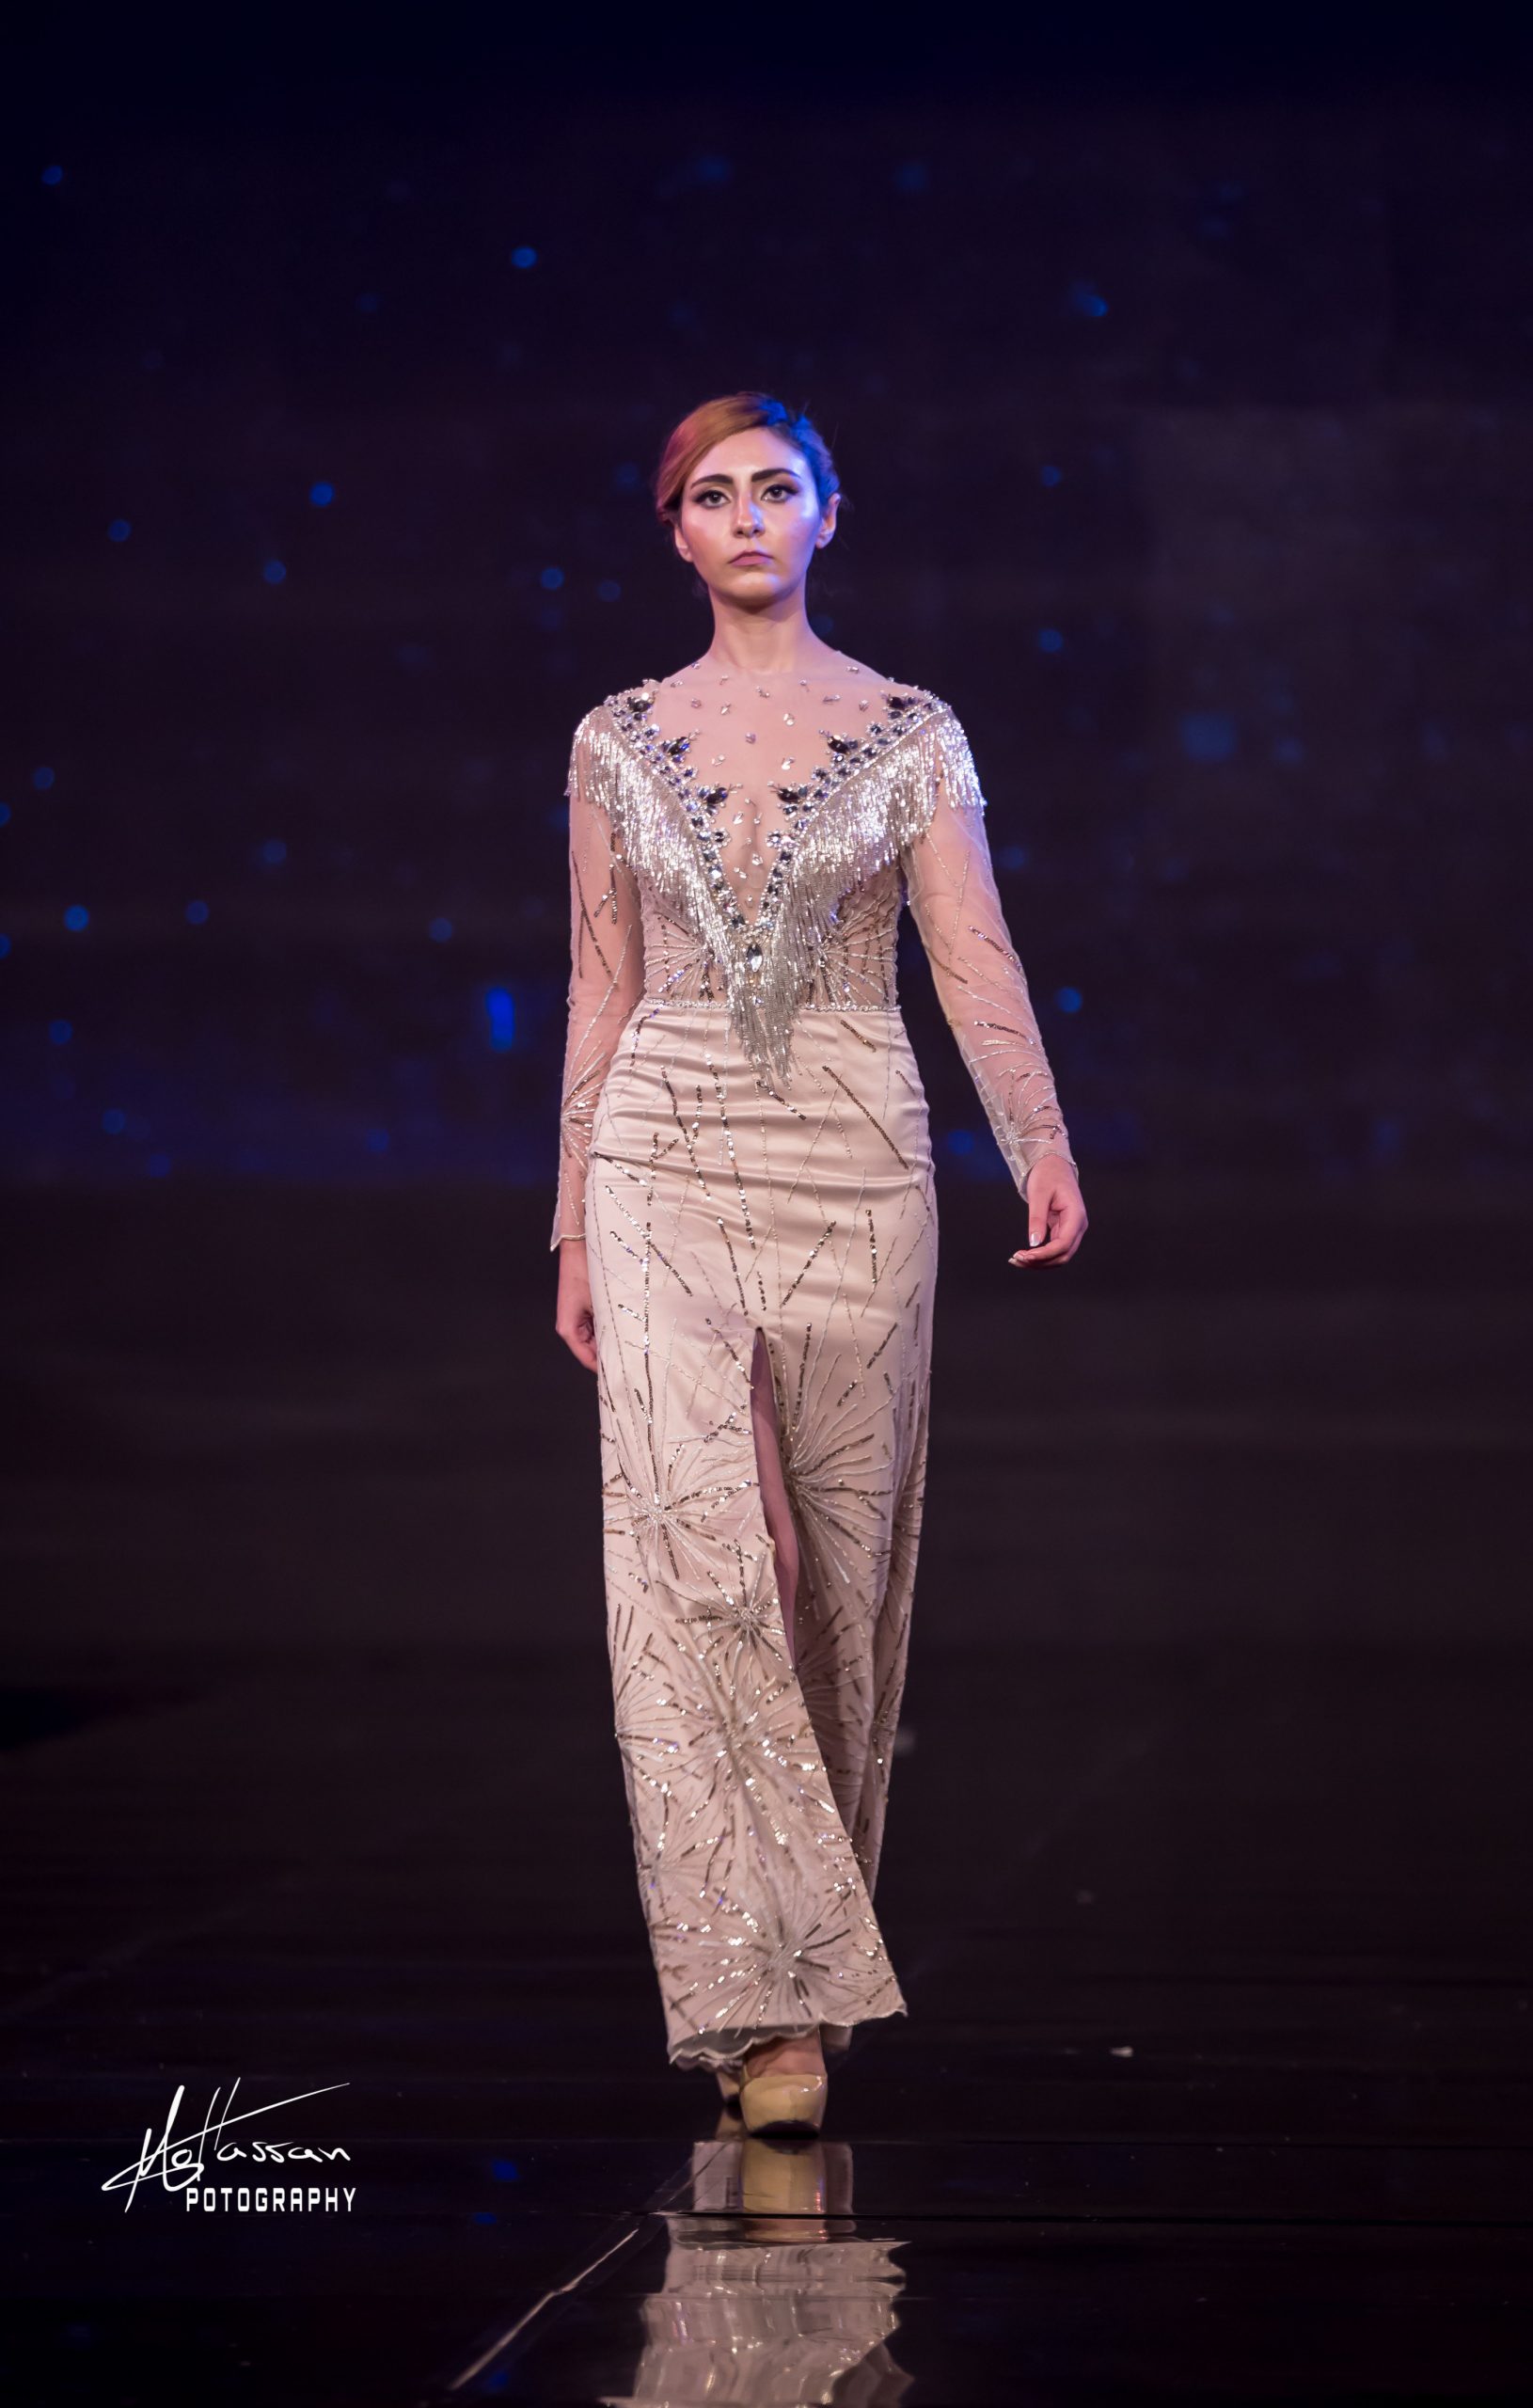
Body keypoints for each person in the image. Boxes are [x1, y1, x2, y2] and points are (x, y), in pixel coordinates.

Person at [552, 390, 1087, 2136]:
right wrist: (571, 1216)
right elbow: (600, 980)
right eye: (711, 495)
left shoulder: (913, 731)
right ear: (675, 532)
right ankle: (756, 1998)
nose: (746, 517)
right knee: (710, 1555)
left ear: (827, 514)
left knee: (833, 1575)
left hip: (858, 1149)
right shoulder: (615, 739)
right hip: (659, 1146)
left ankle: (802, 1964)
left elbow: (972, 946)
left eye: (775, 488)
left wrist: (1037, 1136)